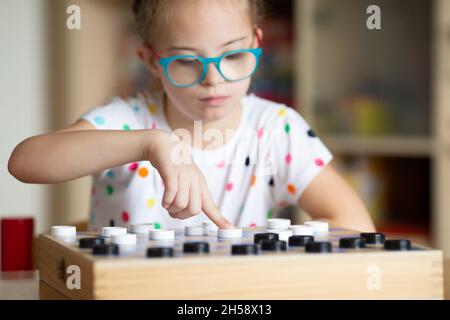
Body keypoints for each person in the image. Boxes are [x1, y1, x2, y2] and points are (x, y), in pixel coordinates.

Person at [8, 0, 375, 232]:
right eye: (186, 61)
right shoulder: (129, 122)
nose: (213, 79)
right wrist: (150, 143)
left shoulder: (275, 129)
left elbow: (355, 224)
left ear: (256, 44)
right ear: (151, 61)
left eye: (232, 56)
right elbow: (24, 162)